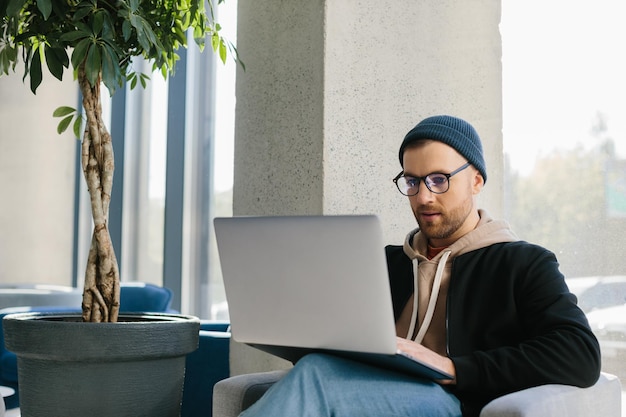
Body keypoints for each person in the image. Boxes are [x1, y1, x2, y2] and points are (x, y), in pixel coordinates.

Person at [239, 115, 601, 417]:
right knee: (314, 368)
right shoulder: (383, 262)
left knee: (314, 379)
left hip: (450, 402)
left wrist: (454, 368)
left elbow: (579, 354)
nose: (424, 196)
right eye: (412, 182)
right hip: (368, 387)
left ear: (476, 181)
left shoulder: (522, 262)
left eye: (439, 180)